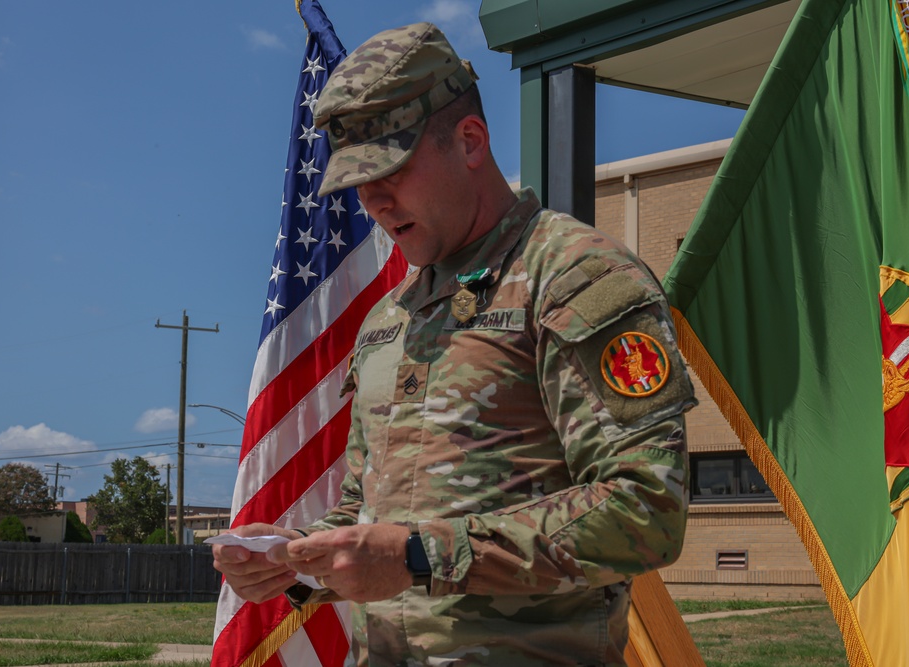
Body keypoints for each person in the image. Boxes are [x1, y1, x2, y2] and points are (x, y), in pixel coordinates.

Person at [214, 22, 697, 667]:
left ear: (470, 141)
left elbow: (648, 508)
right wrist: (294, 555)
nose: (373, 201)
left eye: (391, 170)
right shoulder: (390, 317)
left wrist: (420, 556)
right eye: (358, 181)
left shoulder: (574, 276)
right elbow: (369, 511)